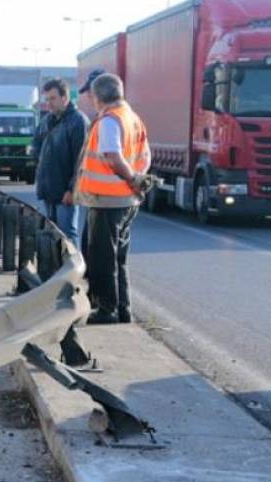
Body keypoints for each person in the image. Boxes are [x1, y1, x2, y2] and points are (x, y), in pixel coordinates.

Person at [71, 73, 151, 325]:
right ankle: (123, 309)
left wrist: (131, 178)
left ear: (98, 97)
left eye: (92, 96)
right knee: (119, 258)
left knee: (102, 258)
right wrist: (137, 180)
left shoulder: (109, 120)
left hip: (107, 200)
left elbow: (112, 156)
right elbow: (145, 157)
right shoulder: (132, 118)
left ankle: (107, 310)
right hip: (127, 201)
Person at [33, 78, 89, 247]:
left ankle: (74, 273)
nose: (48, 103)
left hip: (66, 192)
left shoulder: (78, 121)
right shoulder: (47, 121)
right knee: (53, 235)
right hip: (49, 189)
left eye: (53, 98)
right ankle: (58, 271)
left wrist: (72, 189)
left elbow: (81, 161)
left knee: (68, 236)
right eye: (47, 99)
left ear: (65, 98)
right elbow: (36, 144)